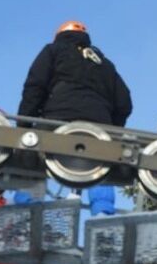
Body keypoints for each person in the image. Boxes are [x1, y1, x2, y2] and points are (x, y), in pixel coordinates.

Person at [18, 20, 132, 214]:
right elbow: (124, 103)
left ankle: (27, 205)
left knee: (32, 156)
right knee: (100, 159)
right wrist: (112, 129)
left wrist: (24, 125)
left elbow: (35, 86)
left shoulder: (53, 51)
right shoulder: (104, 63)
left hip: (58, 118)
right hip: (98, 124)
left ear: (59, 35)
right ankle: (103, 210)